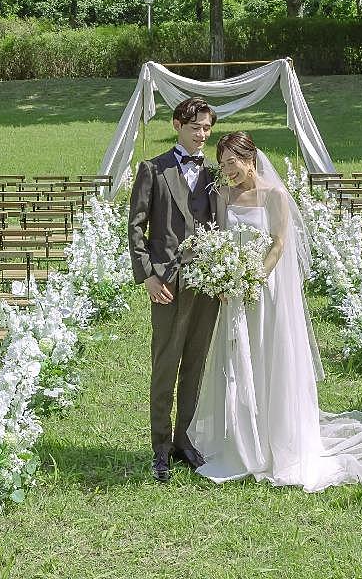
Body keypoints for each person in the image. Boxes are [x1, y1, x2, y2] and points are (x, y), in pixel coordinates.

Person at [188, 131, 362, 492]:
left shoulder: (275, 196)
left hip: (263, 290)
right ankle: (241, 442)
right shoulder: (224, 194)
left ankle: (276, 442)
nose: (228, 171)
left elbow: (279, 244)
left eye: (233, 163)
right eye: (222, 165)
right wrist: (223, 277)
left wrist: (252, 278)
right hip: (234, 291)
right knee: (238, 361)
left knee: (268, 358)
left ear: (250, 158)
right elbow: (223, 239)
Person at [128, 97, 221, 482]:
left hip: (208, 285)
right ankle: (160, 448)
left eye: (207, 129)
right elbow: (136, 227)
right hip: (166, 283)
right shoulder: (153, 169)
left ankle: (185, 440)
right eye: (196, 127)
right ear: (177, 124)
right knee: (166, 366)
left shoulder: (214, 174)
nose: (202, 135)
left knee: (195, 364)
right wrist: (147, 275)